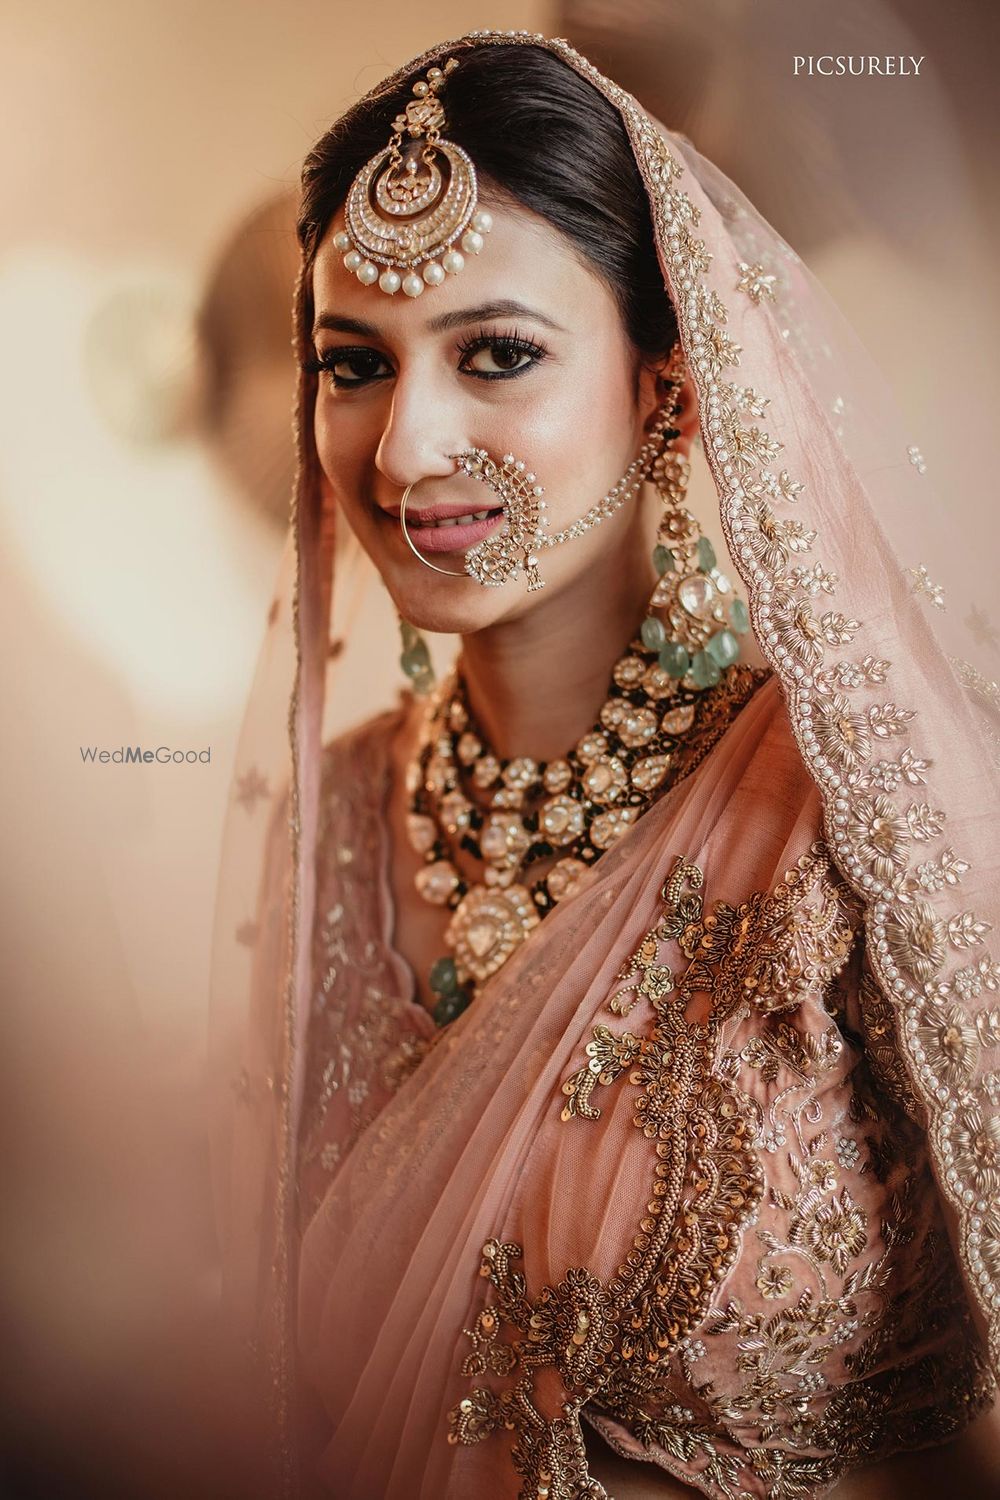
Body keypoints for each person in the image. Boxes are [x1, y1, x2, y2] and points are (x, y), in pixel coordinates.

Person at [208, 31, 1000, 1500]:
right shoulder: (335, 823)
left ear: (670, 389)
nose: (404, 447)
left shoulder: (864, 796)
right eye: (353, 367)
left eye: (497, 354)